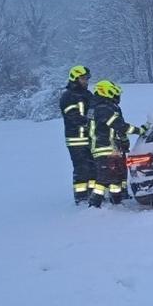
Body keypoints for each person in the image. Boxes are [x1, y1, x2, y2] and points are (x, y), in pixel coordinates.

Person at [88, 80, 146, 208]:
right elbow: (119, 125)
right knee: (103, 178)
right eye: (115, 93)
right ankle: (94, 204)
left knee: (116, 177)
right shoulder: (103, 108)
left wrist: (122, 142)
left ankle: (116, 201)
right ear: (107, 92)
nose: (117, 97)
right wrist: (139, 130)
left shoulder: (102, 107)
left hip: (110, 147)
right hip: (104, 148)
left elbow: (116, 129)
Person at [59, 65, 95, 204]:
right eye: (83, 78)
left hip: (89, 138)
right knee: (81, 169)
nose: (86, 81)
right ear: (75, 78)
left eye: (86, 78)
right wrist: (87, 122)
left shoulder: (87, 94)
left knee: (93, 168)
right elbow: (72, 116)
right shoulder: (68, 96)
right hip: (76, 139)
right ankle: (81, 198)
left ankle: (93, 195)